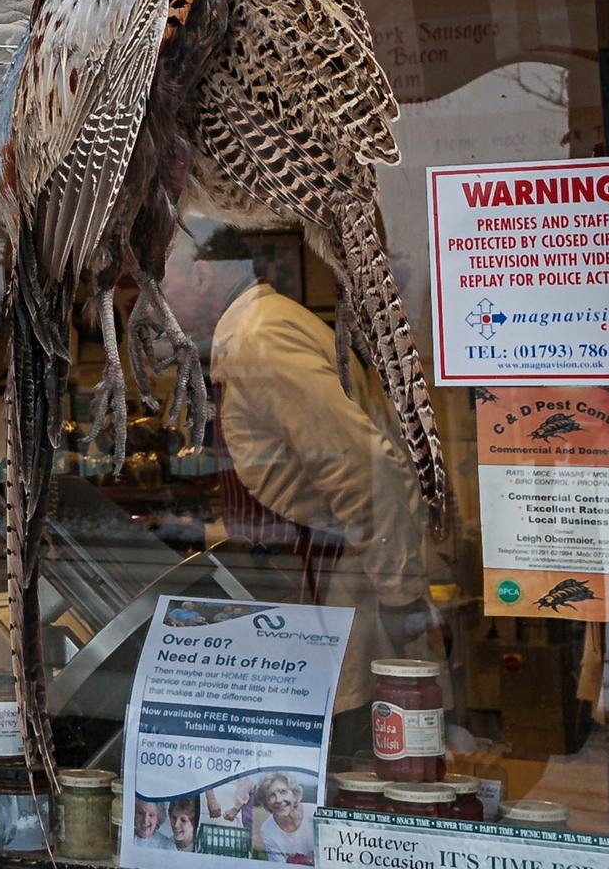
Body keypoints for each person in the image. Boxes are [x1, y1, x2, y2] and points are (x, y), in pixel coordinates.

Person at [162, 224, 436, 752]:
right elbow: (291, 478)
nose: (155, 297)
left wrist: (400, 596)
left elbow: (364, 467)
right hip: (318, 600)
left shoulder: (260, 338)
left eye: (163, 279)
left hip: (346, 600)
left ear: (200, 275)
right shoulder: (249, 333)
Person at [250, 773, 316, 863]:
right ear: (266, 803)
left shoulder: (314, 813)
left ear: (294, 794)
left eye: (283, 792)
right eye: (271, 795)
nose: (279, 800)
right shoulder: (267, 830)